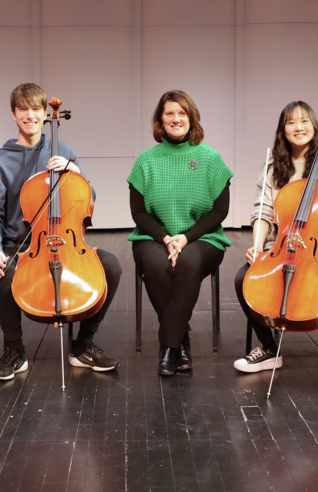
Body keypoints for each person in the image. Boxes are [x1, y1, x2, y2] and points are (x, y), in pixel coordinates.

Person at [0, 83, 121, 380]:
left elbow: (88, 197)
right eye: (23, 110)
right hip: (20, 244)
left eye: (36, 109)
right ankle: (14, 350)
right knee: (1, 272)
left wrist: (76, 173)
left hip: (65, 240)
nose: (30, 116)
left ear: (47, 114)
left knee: (111, 266)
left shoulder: (64, 150)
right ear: (13, 114)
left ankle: (83, 345)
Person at [232, 101, 318, 382]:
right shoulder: (271, 168)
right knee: (244, 277)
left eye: (304, 121)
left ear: (315, 128)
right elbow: (263, 212)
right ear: (283, 130)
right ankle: (269, 349)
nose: (298, 127)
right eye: (291, 122)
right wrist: (257, 245)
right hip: (281, 247)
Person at [128, 90, 232, 376]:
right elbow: (138, 213)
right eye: (170, 113)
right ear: (160, 120)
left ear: (192, 118)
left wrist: (184, 238)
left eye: (182, 113)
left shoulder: (210, 159)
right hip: (153, 237)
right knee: (155, 264)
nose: (176, 119)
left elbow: (219, 212)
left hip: (203, 238)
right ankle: (180, 341)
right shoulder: (145, 161)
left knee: (186, 263)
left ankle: (168, 347)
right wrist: (166, 238)